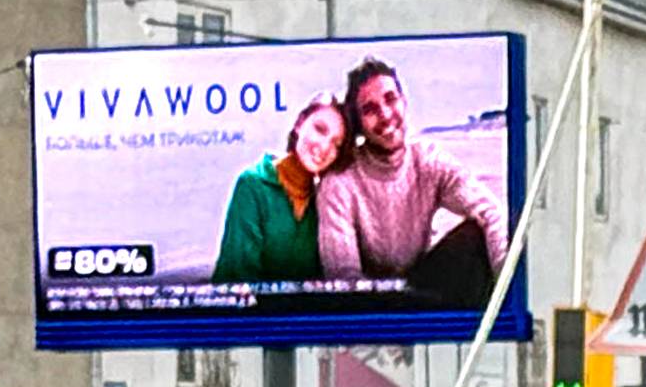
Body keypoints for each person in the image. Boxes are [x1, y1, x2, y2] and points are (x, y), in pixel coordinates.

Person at [316, 57, 508, 293]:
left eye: (391, 99)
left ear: (404, 101)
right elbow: (344, 278)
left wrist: (510, 290)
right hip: (370, 300)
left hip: (419, 287)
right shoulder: (340, 182)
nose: (385, 115)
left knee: (476, 233)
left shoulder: (427, 160)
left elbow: (490, 211)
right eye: (370, 110)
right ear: (358, 123)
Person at [209, 97, 345, 286]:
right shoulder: (253, 185)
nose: (325, 147)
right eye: (320, 130)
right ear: (299, 124)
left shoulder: (325, 201)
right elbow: (237, 278)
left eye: (336, 144)